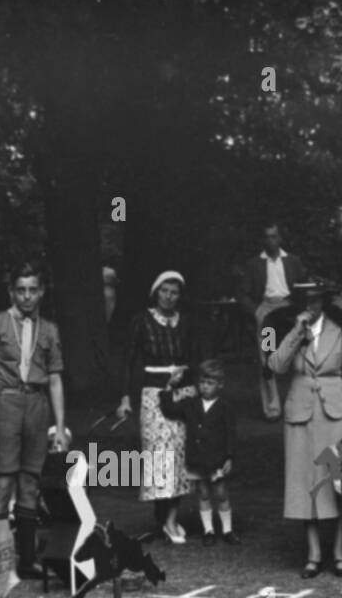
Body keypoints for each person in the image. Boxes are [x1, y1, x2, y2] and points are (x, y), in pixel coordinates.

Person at [0, 263, 69, 579]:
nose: (27, 296)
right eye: (21, 290)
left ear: (41, 292)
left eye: (33, 290)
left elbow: (55, 379)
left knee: (30, 482)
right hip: (4, 402)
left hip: (36, 404)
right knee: (2, 483)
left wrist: (59, 426)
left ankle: (27, 560)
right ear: (12, 291)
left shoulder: (50, 329)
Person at [267, 280, 342, 577]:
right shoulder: (291, 331)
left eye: (316, 300)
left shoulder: (340, 331)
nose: (311, 305)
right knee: (304, 484)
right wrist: (297, 332)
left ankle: (338, 553)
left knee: (338, 485)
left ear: (324, 301)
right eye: (306, 300)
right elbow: (275, 365)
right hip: (300, 415)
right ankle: (313, 554)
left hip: (334, 414)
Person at [116, 270, 197, 543]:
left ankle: (172, 518)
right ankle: (162, 516)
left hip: (182, 393)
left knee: (179, 455)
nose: (169, 297)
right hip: (153, 395)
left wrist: (186, 380)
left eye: (174, 292)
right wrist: (125, 397)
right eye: (165, 291)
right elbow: (128, 361)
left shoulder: (185, 322)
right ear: (156, 292)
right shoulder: (141, 321)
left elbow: (195, 358)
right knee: (159, 456)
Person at [159, 358, 239, 546]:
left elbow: (231, 435)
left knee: (221, 493)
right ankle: (208, 530)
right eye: (202, 383)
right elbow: (170, 409)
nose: (205, 387)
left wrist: (229, 457)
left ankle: (227, 530)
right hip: (197, 459)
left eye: (210, 383)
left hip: (216, 459)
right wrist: (168, 389)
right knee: (203, 493)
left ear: (220, 385)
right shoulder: (191, 404)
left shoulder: (225, 408)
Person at [238, 222, 308, 421]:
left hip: (290, 311)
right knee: (267, 357)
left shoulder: (293, 261)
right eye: (267, 237)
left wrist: (301, 310)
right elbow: (242, 294)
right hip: (268, 313)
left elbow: (303, 287)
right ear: (262, 240)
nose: (271, 240)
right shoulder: (254, 264)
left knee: (300, 352)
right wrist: (257, 310)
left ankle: (301, 402)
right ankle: (272, 407)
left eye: (274, 236)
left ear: (280, 238)